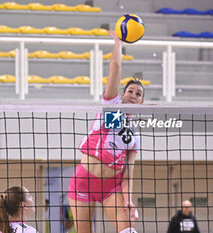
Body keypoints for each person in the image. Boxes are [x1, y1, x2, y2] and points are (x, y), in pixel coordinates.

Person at [68, 30, 144, 233]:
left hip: (111, 186)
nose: (133, 96)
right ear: (121, 94)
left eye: (138, 94)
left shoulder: (134, 137)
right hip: (83, 181)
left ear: (142, 102)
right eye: (130, 91)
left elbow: (128, 173)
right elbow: (115, 68)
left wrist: (128, 200)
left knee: (129, 230)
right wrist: (118, 44)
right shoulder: (111, 109)